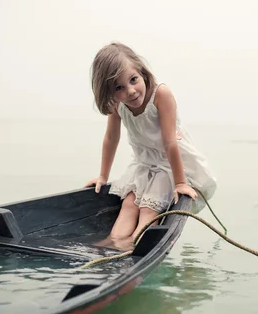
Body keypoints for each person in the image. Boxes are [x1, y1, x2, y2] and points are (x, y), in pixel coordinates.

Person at [85, 42, 217, 250]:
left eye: (133, 80)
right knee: (129, 203)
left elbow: (169, 142)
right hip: (145, 163)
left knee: (148, 208)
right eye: (119, 88)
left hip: (171, 163)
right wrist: (103, 175)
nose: (130, 91)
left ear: (142, 72)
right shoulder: (116, 104)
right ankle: (111, 245)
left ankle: (134, 244)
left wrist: (181, 183)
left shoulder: (160, 95)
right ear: (109, 92)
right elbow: (111, 138)